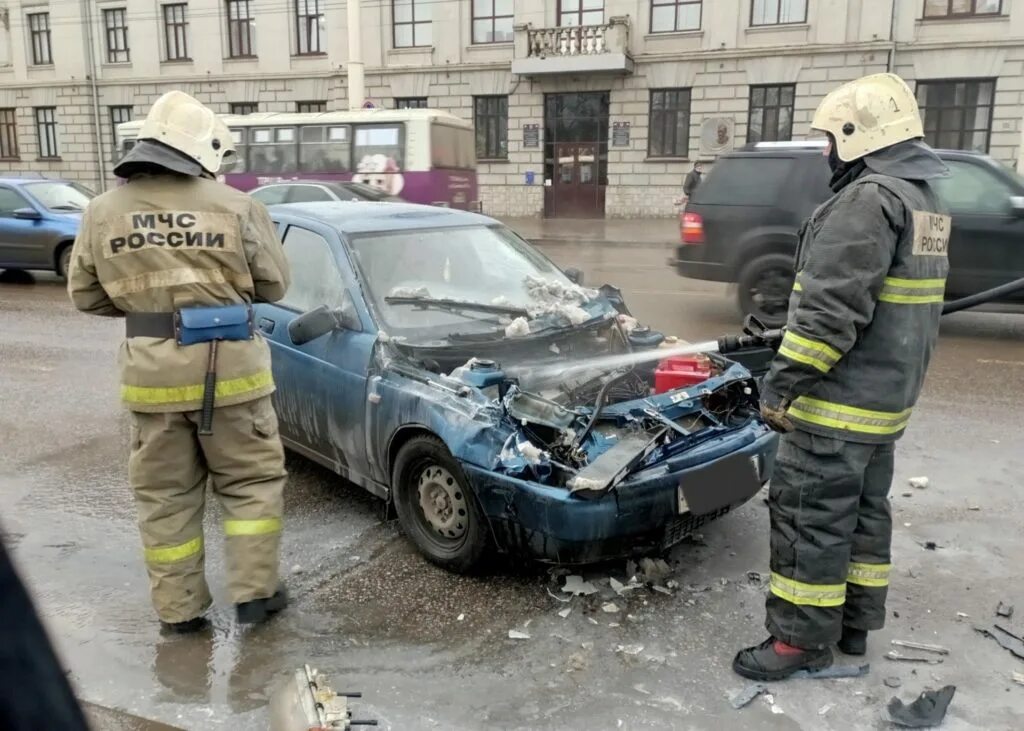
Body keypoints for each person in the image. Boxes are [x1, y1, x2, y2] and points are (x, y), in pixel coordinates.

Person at [732, 73, 950, 680]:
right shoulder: (924, 197)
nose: (827, 150)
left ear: (858, 135)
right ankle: (853, 624)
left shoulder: (866, 200)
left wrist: (782, 384)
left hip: (837, 405)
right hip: (885, 402)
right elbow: (887, 300)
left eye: (830, 137)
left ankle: (798, 643)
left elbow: (832, 312)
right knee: (862, 514)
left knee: (809, 516)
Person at [67, 91, 292, 633]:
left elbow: (85, 296)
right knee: (251, 485)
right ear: (202, 150)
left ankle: (181, 613)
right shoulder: (237, 205)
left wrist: (148, 309)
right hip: (236, 375)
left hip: (152, 381)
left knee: (166, 497)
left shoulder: (101, 212)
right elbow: (276, 284)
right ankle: (254, 596)